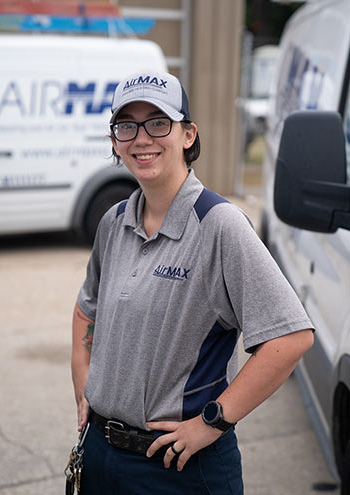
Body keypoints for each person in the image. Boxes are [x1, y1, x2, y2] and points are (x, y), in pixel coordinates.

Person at [71, 70, 314, 494]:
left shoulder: (220, 225)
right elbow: (86, 310)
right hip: (100, 455)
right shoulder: (113, 222)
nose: (142, 138)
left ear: (188, 135)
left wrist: (213, 422)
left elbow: (290, 338)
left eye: (158, 122)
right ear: (114, 141)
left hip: (176, 468)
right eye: (127, 125)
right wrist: (85, 385)